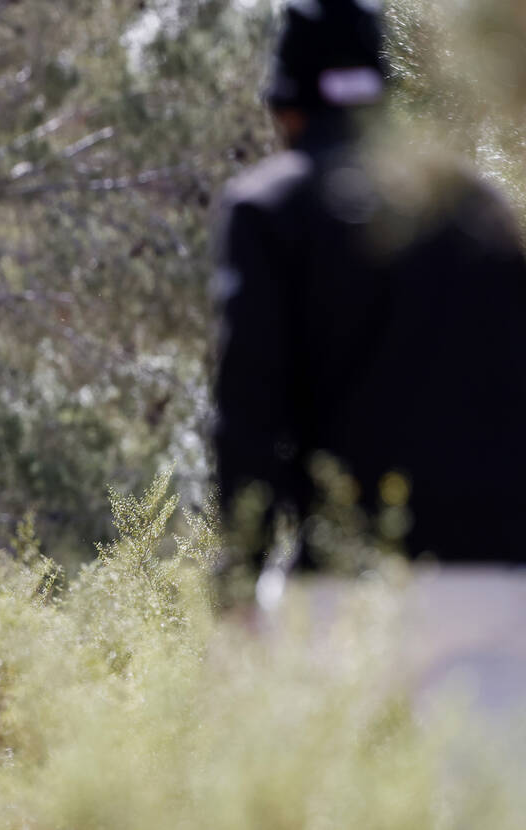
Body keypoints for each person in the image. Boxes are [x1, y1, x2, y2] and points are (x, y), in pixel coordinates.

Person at [212, 0, 526, 717]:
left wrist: (240, 580)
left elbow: (250, 410)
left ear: (283, 106)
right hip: (498, 579)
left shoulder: (268, 208)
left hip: (345, 586)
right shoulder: (476, 204)